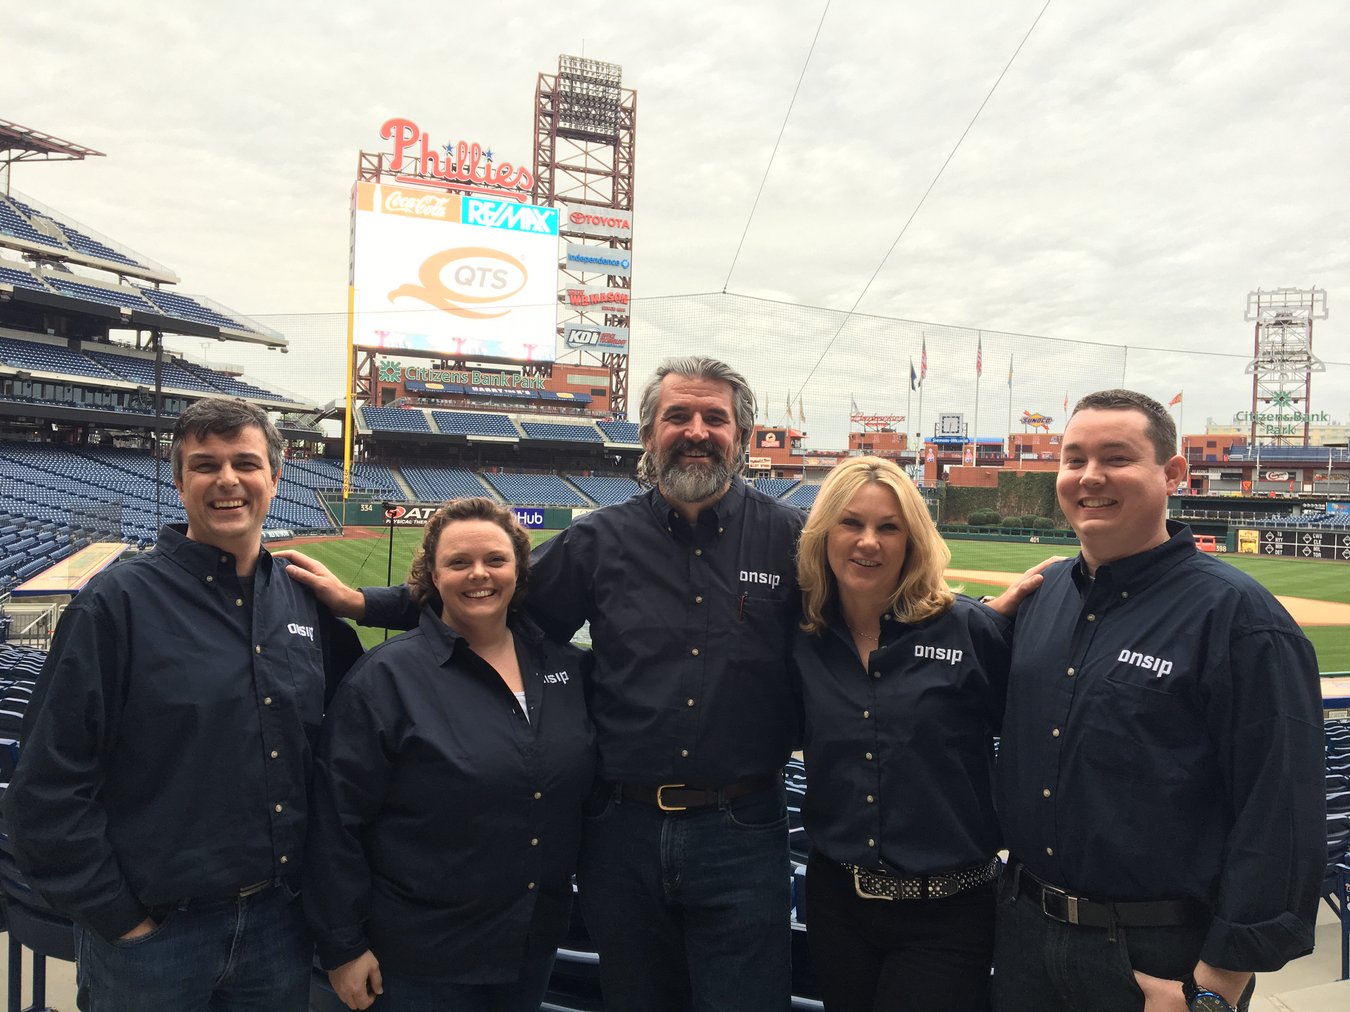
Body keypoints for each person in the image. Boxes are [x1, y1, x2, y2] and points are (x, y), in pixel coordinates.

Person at [281, 355, 804, 1011]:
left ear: (742, 437)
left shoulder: (793, 541)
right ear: (648, 434)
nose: (696, 430)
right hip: (624, 832)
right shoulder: (602, 541)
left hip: (743, 829)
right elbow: (492, 600)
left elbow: (868, 618)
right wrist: (368, 604)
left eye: (714, 417)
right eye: (677, 415)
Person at [5, 397, 362, 1012]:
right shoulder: (114, 604)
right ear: (178, 483)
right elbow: (46, 785)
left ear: (276, 478)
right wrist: (121, 921)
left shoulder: (304, 604)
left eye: (246, 462)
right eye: (205, 464)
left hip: (279, 924)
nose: (227, 479)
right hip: (153, 937)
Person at [992, 390, 1325, 1012]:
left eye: (1116, 458)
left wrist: (1217, 985)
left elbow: (1280, 809)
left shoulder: (1240, 618)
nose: (1090, 477)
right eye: (1074, 459)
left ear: (1173, 474)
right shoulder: (1042, 596)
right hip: (1024, 935)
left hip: (1159, 956)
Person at [304, 498, 595, 1011]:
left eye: (495, 561)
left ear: (519, 571)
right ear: (432, 578)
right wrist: (343, 945)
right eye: (459, 563)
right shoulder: (386, 678)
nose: (479, 575)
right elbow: (336, 819)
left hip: (530, 944)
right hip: (423, 958)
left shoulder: (567, 668)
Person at [794, 456, 1012, 1012]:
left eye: (889, 527)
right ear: (824, 533)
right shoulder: (803, 637)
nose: (869, 542)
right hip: (836, 903)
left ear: (912, 539)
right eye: (851, 523)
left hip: (948, 911)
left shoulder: (969, 628)